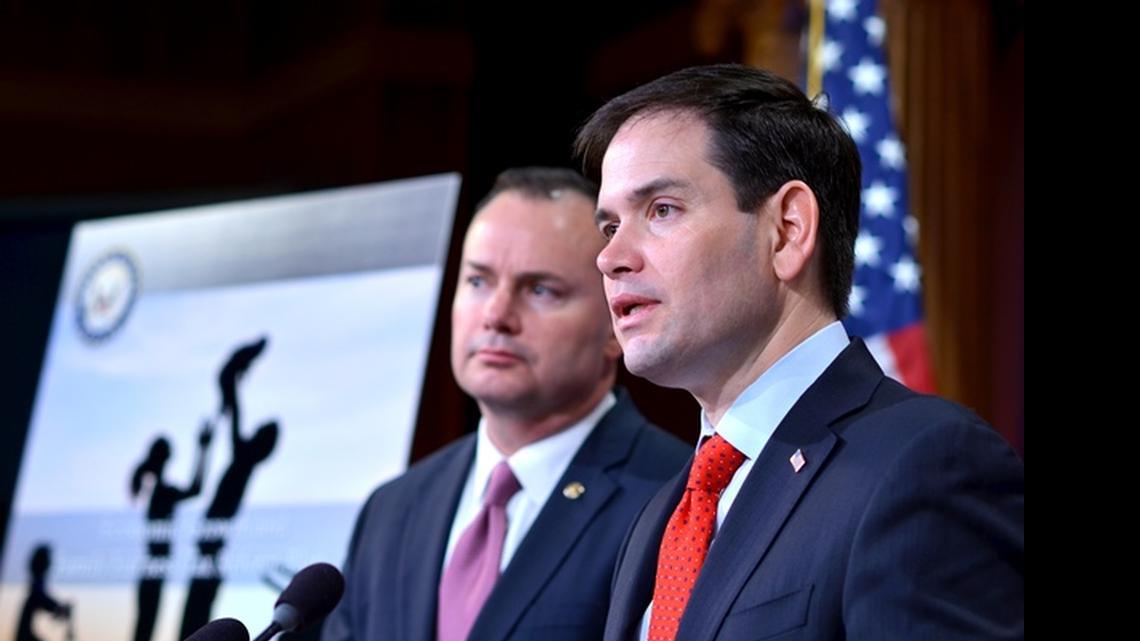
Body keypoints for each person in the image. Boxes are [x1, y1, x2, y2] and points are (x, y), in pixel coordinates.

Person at [574, 64, 1023, 641]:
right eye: (610, 226)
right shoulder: (664, 513)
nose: (610, 258)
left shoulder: (924, 464)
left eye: (661, 209)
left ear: (787, 230)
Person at [321, 167, 690, 641]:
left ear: (614, 319)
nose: (496, 315)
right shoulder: (392, 510)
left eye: (540, 290)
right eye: (478, 281)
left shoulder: (674, 497)